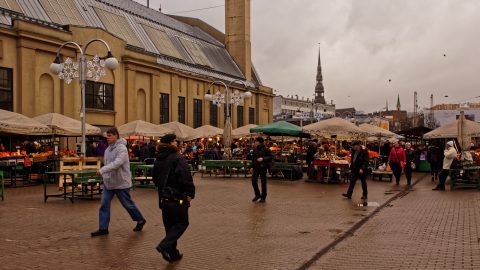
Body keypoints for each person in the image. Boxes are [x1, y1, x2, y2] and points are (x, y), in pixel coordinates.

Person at [91, 127, 146, 237]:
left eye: (110, 135)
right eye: (107, 135)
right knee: (104, 205)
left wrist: (102, 170)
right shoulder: (107, 150)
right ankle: (103, 228)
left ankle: (140, 219)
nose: (108, 137)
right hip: (109, 183)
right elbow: (107, 164)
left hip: (121, 183)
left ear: (116, 136)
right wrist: (104, 175)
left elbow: (117, 163)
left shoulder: (122, 149)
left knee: (127, 205)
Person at [153, 134, 195, 263]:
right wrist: (190, 193)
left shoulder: (158, 159)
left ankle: (173, 253)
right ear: (170, 143)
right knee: (182, 223)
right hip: (177, 197)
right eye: (175, 141)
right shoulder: (177, 157)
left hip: (164, 198)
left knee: (170, 226)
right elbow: (185, 177)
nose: (177, 143)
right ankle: (164, 245)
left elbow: (155, 179)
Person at [250, 137, 273, 203]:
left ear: (259, 142)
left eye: (255, 141)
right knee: (253, 181)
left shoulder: (266, 149)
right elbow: (253, 159)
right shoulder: (255, 149)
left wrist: (263, 158)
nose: (254, 143)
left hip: (263, 167)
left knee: (263, 183)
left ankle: (263, 197)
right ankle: (257, 195)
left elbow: (271, 157)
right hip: (256, 167)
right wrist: (251, 167)